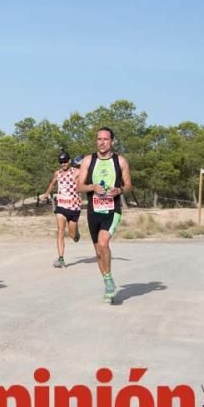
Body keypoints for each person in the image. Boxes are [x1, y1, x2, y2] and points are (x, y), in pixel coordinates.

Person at [77, 127, 133, 304]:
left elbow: (129, 185)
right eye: (99, 139)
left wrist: (120, 190)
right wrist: (92, 187)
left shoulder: (120, 162)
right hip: (94, 210)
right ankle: (107, 281)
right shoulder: (88, 160)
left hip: (112, 209)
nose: (102, 142)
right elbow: (80, 186)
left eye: (105, 139)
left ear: (112, 142)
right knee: (99, 253)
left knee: (103, 243)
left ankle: (108, 282)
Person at [41, 150, 81, 268]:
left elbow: (88, 173)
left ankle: (76, 232)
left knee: (73, 236)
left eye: (65, 161)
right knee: (60, 231)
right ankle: (61, 259)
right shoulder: (57, 173)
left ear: (69, 161)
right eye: (61, 162)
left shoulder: (77, 172)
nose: (63, 163)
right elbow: (52, 184)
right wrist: (46, 194)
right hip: (61, 206)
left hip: (74, 207)